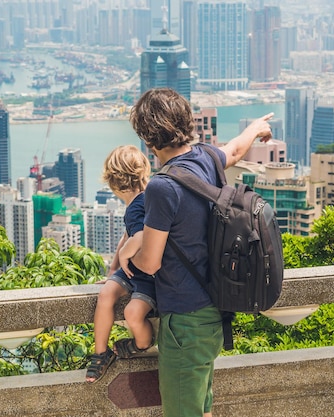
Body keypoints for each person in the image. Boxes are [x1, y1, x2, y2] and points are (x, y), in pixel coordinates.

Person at [124, 88, 273, 417]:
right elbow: (233, 150)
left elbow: (150, 262)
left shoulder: (162, 187)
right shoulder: (205, 156)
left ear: (148, 139)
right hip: (214, 312)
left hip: (185, 320)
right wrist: (256, 128)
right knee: (201, 406)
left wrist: (130, 251)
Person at [85, 145, 157, 383]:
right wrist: (114, 270)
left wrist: (125, 253)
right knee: (107, 293)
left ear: (112, 181)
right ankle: (101, 352)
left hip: (148, 276)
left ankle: (142, 343)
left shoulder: (138, 204)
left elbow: (139, 237)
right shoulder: (145, 199)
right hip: (131, 272)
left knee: (132, 313)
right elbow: (127, 238)